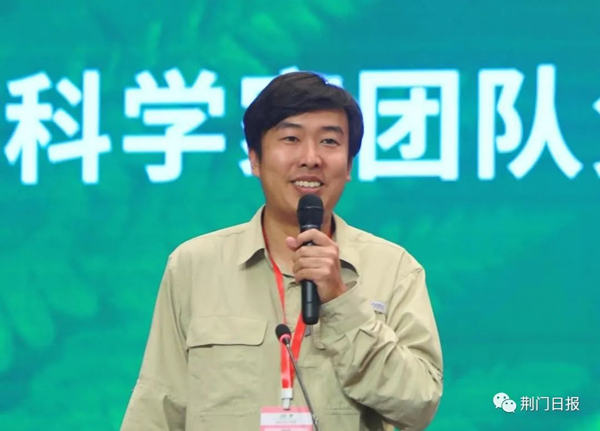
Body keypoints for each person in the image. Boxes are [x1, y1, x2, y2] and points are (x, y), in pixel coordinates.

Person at [121, 71, 443, 431]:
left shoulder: (394, 269)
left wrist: (342, 303)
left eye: (329, 142)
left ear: (349, 165)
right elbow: (158, 406)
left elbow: (418, 406)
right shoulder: (195, 265)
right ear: (255, 159)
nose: (310, 158)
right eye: (291, 138)